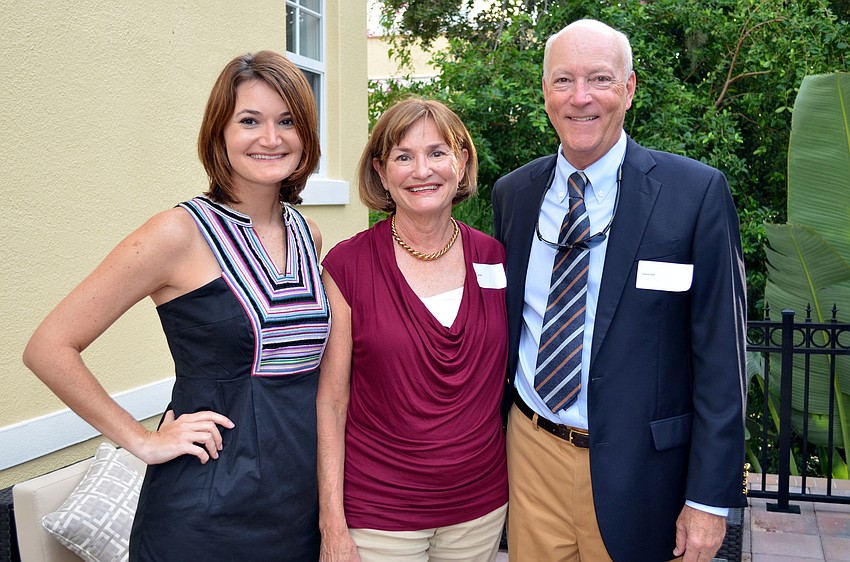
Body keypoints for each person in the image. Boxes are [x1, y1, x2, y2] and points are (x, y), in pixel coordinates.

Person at [22, 51, 330, 561]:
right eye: (249, 121)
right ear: (219, 132)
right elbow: (48, 348)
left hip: (297, 511)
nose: (271, 138)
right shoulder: (177, 233)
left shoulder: (307, 233)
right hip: (203, 517)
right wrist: (142, 440)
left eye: (287, 121)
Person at [492, 19, 747, 562]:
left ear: (629, 89)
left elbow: (722, 360)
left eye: (600, 79)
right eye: (564, 80)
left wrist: (708, 499)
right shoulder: (514, 194)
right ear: (544, 92)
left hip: (643, 474)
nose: (580, 97)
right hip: (530, 456)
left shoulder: (695, 193)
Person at [317, 98, 508, 562]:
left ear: (461, 162)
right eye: (403, 157)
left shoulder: (494, 257)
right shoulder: (347, 266)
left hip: (479, 510)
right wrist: (332, 524)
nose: (422, 170)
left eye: (437, 153)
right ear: (381, 173)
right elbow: (332, 402)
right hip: (380, 514)